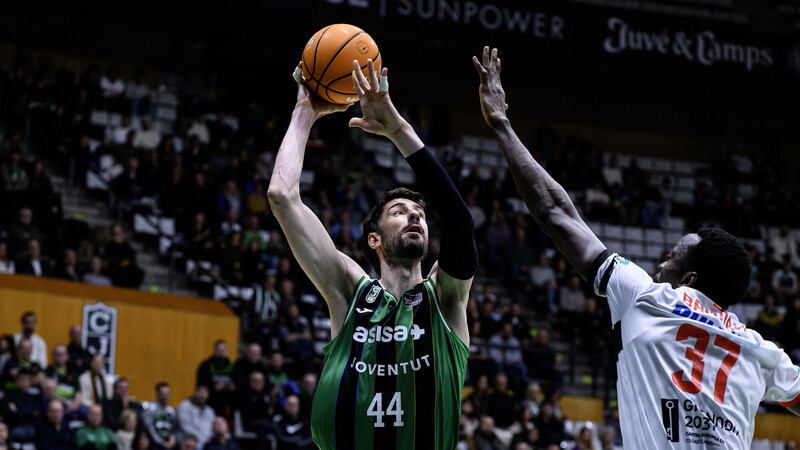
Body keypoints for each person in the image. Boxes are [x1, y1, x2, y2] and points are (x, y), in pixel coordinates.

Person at [474, 45, 800, 449]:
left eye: (671, 257)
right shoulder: (761, 349)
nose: (661, 262)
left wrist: (502, 124)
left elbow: (554, 212)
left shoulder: (646, 296)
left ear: (690, 278)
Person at [268, 59, 477, 449]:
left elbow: (460, 221)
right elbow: (282, 196)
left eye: (420, 214)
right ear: (374, 240)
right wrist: (304, 112)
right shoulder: (349, 292)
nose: (415, 215)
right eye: (399, 212)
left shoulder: (445, 298)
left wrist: (400, 131)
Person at [196, 340, 235, 417]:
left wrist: (230, 386)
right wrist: (214, 387)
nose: (221, 352)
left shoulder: (231, 366)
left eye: (224, 350)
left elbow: (234, 381)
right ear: (215, 350)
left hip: (226, 398)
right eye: (219, 350)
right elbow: (201, 384)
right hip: (211, 398)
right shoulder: (206, 365)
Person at [46, 344, 84, 418]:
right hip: (57, 403)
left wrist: (75, 404)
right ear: (53, 356)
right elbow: (49, 393)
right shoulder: (48, 371)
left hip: (72, 403)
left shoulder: (72, 373)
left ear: (67, 356)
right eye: (57, 354)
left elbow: (78, 392)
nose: (60, 356)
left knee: (87, 411)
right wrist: (64, 403)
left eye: (62, 354)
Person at [141, 382, 177, 450]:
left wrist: (172, 440)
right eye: (162, 393)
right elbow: (149, 428)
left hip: (169, 444)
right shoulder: (150, 409)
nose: (165, 396)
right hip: (154, 444)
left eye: (167, 393)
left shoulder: (171, 411)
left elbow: (174, 429)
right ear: (157, 394)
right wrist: (160, 442)